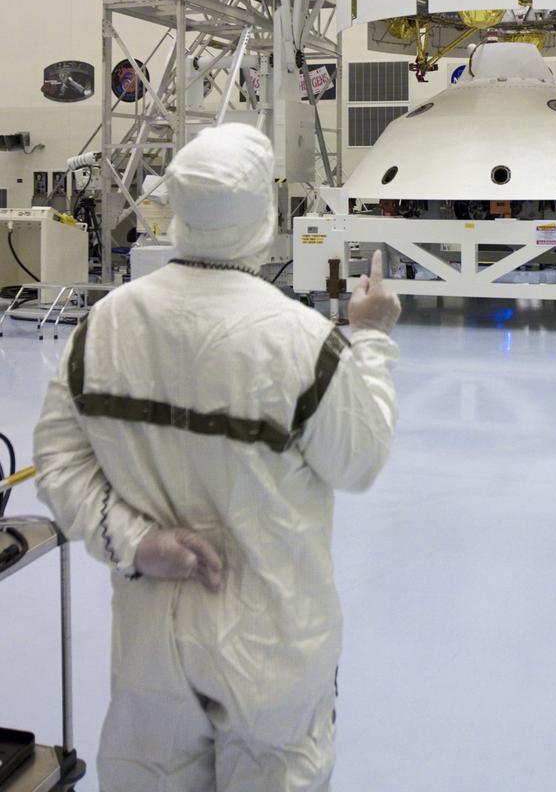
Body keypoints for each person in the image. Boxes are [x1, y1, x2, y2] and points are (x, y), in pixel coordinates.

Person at [34, 123, 400, 792]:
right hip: (272, 644)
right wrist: (370, 339)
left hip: (151, 648)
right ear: (264, 214)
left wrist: (137, 542)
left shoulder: (104, 325)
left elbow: (58, 460)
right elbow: (360, 460)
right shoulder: (299, 338)